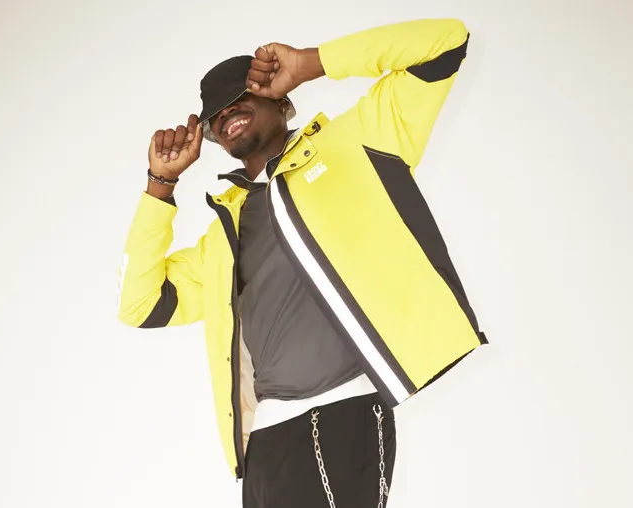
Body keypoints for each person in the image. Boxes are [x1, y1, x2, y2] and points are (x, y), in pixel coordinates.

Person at [117, 17, 488, 508]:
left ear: (281, 100)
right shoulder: (225, 234)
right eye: (215, 116)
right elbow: (140, 305)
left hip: (342, 413)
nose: (228, 114)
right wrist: (160, 186)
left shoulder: (358, 141)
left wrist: (312, 63)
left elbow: (445, 43)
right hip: (264, 443)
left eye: (242, 96)